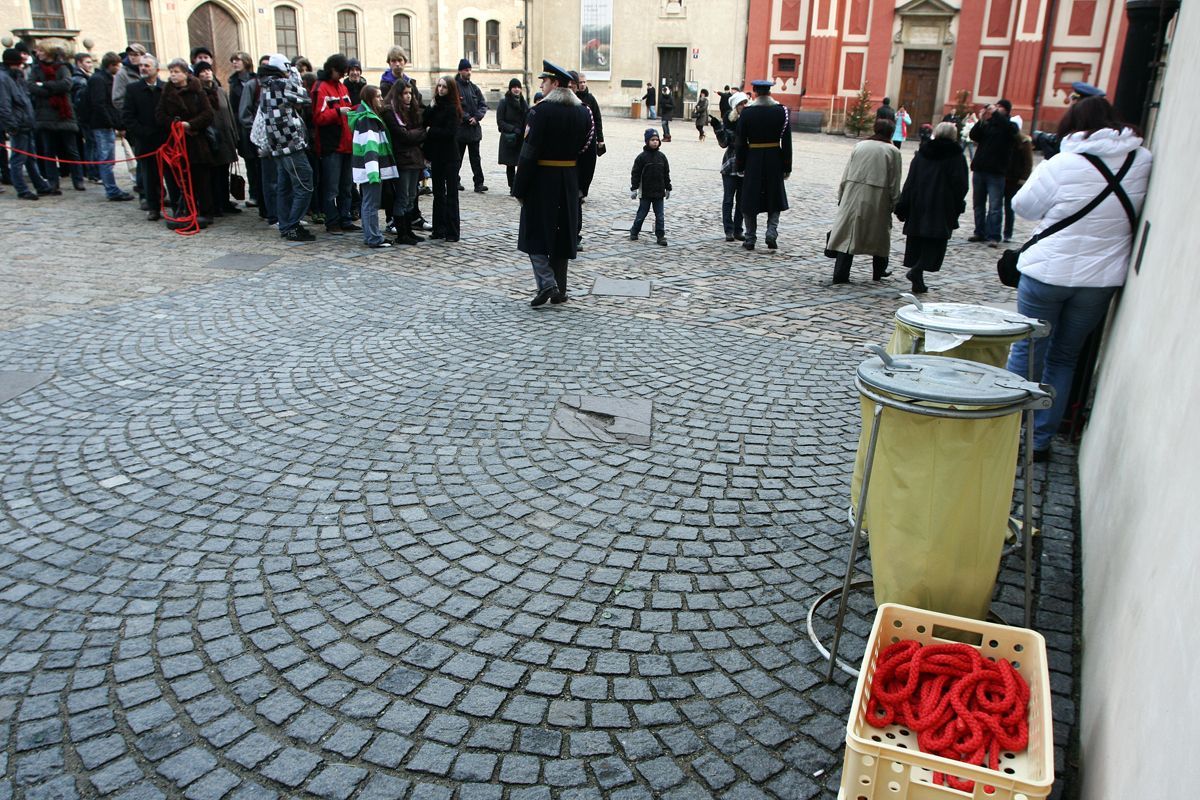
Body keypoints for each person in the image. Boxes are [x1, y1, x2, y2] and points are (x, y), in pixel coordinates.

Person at [1006, 97, 1151, 462]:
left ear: (1073, 125)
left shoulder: (1064, 163)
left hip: (1047, 274)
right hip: (1100, 280)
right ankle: (1039, 440)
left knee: (1028, 348)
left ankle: (1005, 428)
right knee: (1065, 358)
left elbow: (1023, 207)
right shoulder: (1141, 161)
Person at [514, 60, 594, 307]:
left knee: (533, 233)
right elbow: (587, 154)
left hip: (542, 180)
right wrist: (582, 185)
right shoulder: (583, 112)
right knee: (562, 234)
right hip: (568, 180)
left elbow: (529, 152)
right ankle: (560, 290)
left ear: (555, 84)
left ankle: (548, 283)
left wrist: (519, 187)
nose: (541, 85)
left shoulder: (540, 111)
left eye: (545, 81)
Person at [894, 122, 969, 293]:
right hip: (943, 205)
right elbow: (961, 185)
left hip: (919, 202)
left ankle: (917, 275)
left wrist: (904, 204)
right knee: (935, 242)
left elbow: (910, 180)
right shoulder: (956, 156)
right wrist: (958, 204)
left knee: (918, 240)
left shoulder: (922, 153)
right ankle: (917, 271)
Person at [827, 118, 902, 283]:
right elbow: (894, 181)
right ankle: (878, 271)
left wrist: (842, 194)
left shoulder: (860, 146)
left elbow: (846, 173)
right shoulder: (893, 151)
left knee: (849, 235)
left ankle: (840, 273)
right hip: (878, 197)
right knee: (880, 235)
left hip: (852, 193)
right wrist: (896, 202)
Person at [259, 53, 315, 241]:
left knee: (285, 187)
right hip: (290, 143)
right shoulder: (281, 84)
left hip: (278, 145)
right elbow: (305, 98)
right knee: (305, 183)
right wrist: (295, 75)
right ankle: (292, 225)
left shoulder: (266, 85)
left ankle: (286, 224)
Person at [156, 58, 215, 227]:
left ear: (185, 74)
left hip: (196, 141)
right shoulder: (167, 92)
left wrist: (190, 124)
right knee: (182, 179)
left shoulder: (197, 91)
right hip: (177, 144)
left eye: (177, 72)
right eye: (171, 72)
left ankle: (205, 211)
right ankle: (187, 209)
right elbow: (159, 115)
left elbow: (208, 113)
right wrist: (174, 124)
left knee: (201, 179)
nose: (173, 75)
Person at [735, 79, 791, 250]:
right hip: (774, 158)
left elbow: (740, 142)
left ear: (756, 92)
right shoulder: (782, 111)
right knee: (774, 196)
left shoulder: (747, 113)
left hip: (753, 158)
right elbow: (786, 142)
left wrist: (740, 164)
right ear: (770, 92)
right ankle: (771, 232)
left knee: (749, 198)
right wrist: (787, 166)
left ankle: (750, 237)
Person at [29, 45, 85, 192]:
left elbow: (66, 84)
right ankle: (53, 183)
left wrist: (44, 85)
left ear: (49, 53)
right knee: (49, 152)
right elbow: (31, 87)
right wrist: (51, 88)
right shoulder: (36, 69)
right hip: (44, 116)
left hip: (64, 115)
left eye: (41, 50)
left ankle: (78, 180)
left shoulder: (63, 68)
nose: (38, 53)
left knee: (72, 150)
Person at [313, 54, 358, 234]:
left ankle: (345, 218)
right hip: (331, 146)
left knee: (346, 186)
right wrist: (339, 112)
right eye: (340, 72)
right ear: (332, 69)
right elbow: (318, 116)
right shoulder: (321, 88)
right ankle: (332, 221)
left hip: (347, 144)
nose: (342, 76)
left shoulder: (341, 87)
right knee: (331, 187)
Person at [348, 85, 397, 248]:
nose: (381, 99)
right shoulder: (368, 119)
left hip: (369, 168)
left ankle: (371, 235)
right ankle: (374, 237)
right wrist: (373, 172)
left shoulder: (366, 116)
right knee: (371, 203)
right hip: (371, 169)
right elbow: (370, 146)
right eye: (378, 96)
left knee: (368, 203)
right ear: (370, 99)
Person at [0, 47, 53, 200]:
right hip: (18, 124)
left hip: (26, 122)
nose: (22, 66)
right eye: (19, 63)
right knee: (18, 158)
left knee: (30, 157)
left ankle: (40, 185)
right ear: (13, 64)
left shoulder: (17, 77)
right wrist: (12, 125)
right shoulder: (3, 79)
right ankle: (22, 189)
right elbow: (4, 105)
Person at [122, 54, 170, 219]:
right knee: (150, 176)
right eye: (141, 65)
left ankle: (176, 204)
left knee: (170, 174)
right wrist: (141, 132)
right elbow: (128, 116)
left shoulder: (166, 88)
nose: (143, 68)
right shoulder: (133, 89)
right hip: (145, 140)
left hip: (166, 140)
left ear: (156, 69)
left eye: (147, 66)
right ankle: (153, 207)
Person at [968, 98, 1018, 247]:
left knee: (995, 206)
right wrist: (981, 120)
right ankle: (979, 232)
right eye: (995, 107)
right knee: (978, 204)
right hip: (980, 169)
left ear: (1006, 110)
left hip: (996, 172)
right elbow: (974, 136)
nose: (995, 109)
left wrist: (996, 113)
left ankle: (994, 235)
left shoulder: (1010, 126)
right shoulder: (988, 125)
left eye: (999, 107)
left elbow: (1009, 130)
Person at [193, 60, 241, 216]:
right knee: (212, 174)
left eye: (209, 70)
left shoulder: (220, 91)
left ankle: (225, 202)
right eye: (203, 71)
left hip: (225, 136)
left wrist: (234, 135)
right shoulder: (197, 93)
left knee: (224, 172)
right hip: (210, 138)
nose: (207, 73)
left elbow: (229, 114)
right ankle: (214, 204)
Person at [87, 51, 135, 201]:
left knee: (108, 157)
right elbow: (100, 105)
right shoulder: (98, 80)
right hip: (101, 124)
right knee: (106, 157)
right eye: (117, 65)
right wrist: (112, 123)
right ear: (111, 65)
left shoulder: (105, 78)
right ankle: (111, 190)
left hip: (106, 123)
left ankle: (111, 188)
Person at [382, 81, 425, 245]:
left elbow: (419, 130)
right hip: (402, 159)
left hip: (415, 158)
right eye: (405, 93)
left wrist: (415, 133)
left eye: (410, 93)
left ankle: (409, 230)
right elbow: (402, 136)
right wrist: (417, 134)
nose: (408, 96)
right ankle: (402, 233)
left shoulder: (412, 110)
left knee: (412, 196)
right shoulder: (390, 111)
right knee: (402, 196)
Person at [423, 75, 463, 241]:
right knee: (438, 193)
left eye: (444, 87)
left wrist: (431, 131)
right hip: (437, 156)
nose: (440, 89)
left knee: (451, 194)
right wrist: (430, 107)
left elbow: (449, 132)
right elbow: (424, 120)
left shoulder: (453, 108)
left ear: (450, 89)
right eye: (439, 86)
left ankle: (452, 231)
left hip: (450, 156)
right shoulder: (436, 105)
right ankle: (438, 229)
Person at [571, 70, 605, 249]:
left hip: (582, 156)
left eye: (583, 82)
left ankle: (575, 235)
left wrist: (600, 139)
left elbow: (597, 120)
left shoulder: (589, 102)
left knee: (576, 199)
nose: (581, 85)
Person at [713, 90, 748, 241]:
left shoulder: (750, 120)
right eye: (741, 104)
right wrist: (718, 129)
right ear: (736, 106)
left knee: (741, 199)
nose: (744, 106)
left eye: (745, 102)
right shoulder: (730, 120)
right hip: (730, 163)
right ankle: (728, 230)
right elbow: (724, 143)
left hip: (745, 164)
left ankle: (738, 230)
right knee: (728, 199)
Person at [629, 128, 671, 246]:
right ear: (647, 141)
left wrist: (668, 188)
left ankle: (660, 235)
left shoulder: (662, 157)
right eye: (652, 140)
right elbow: (636, 173)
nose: (655, 142)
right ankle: (635, 230)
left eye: (657, 140)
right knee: (641, 214)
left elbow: (666, 173)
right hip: (646, 192)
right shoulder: (641, 157)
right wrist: (634, 188)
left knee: (660, 216)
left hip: (659, 192)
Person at [228, 51, 259, 208]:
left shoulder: (256, 80)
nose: (235, 63)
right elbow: (233, 109)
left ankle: (262, 193)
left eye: (238, 60)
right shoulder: (233, 83)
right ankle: (254, 194)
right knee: (250, 162)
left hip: (257, 124)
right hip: (243, 128)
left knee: (260, 162)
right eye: (233, 60)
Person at [455, 59, 488, 192]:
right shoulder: (455, 87)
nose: (468, 72)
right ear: (460, 71)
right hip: (461, 130)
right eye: (466, 70)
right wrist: (468, 118)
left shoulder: (474, 88)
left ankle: (478, 183)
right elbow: (456, 106)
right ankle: (455, 181)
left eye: (469, 70)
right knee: (457, 158)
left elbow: (483, 104)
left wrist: (477, 117)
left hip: (474, 131)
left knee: (476, 159)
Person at [1003, 115, 1034, 243]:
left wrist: (1023, 178)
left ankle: (1007, 232)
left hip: (1015, 179)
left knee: (1009, 207)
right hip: (1003, 176)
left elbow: (1028, 162)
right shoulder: (1006, 140)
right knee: (998, 206)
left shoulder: (1024, 142)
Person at [71, 52, 100, 183]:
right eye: (87, 62)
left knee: (92, 144)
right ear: (79, 63)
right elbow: (80, 102)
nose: (90, 65)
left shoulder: (86, 77)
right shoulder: (79, 79)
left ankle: (93, 171)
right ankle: (93, 172)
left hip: (88, 117)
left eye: (91, 62)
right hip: (87, 118)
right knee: (92, 144)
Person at [496, 78, 528, 192]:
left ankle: (518, 185)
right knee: (510, 164)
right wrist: (513, 129)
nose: (516, 89)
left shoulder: (524, 102)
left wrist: (525, 131)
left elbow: (527, 118)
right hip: (509, 138)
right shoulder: (504, 102)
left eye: (518, 87)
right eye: (514, 87)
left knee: (521, 163)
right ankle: (512, 187)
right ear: (510, 89)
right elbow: (500, 121)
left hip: (521, 137)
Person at [111, 44, 146, 114]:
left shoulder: (149, 70)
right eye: (130, 55)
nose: (132, 57)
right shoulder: (122, 73)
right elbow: (117, 100)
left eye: (136, 55)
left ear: (143, 56)